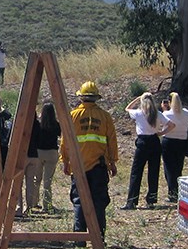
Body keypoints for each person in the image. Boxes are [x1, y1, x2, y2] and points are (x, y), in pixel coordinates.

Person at [61, 81, 118, 240]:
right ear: (96, 98)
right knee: (98, 203)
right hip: (99, 167)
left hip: (78, 166)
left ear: (81, 98)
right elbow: (111, 140)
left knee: (79, 201)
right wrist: (112, 162)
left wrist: (65, 161)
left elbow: (65, 141)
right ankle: (98, 238)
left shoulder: (73, 116)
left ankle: (79, 239)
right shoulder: (104, 116)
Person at [122, 92, 174, 209]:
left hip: (142, 142)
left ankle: (132, 201)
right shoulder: (158, 114)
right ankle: (151, 199)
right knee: (153, 171)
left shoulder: (139, 113)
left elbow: (127, 108)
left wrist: (137, 98)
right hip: (154, 142)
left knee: (136, 172)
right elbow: (171, 125)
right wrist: (161, 133)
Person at [158, 92, 188, 203]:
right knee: (178, 168)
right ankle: (179, 191)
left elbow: (163, 123)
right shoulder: (186, 113)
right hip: (182, 142)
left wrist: (164, 110)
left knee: (169, 169)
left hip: (169, 142)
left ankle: (172, 194)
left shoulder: (167, 114)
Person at [34, 101, 61, 212]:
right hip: (52, 153)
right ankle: (47, 205)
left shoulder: (38, 124)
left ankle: (34, 202)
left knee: (37, 179)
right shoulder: (56, 125)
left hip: (38, 153)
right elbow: (60, 135)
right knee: (47, 180)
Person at [17, 113, 42, 218]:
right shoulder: (37, 124)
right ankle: (30, 207)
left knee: (18, 183)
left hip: (22, 155)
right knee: (30, 182)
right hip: (34, 155)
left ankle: (19, 208)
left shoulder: (20, 123)